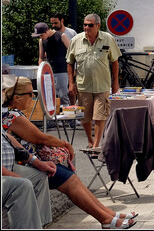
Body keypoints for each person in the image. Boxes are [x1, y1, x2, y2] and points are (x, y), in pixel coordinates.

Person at [3, 76, 138, 229]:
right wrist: (66, 144)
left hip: (29, 163)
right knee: (70, 180)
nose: (33, 97)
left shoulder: (10, 113)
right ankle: (105, 219)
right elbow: (41, 138)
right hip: (26, 165)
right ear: (17, 98)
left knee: (72, 178)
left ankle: (108, 214)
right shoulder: (12, 116)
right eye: (30, 94)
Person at [66, 14, 121, 149]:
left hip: (102, 85)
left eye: (90, 25)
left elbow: (114, 62)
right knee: (85, 117)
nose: (86, 27)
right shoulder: (76, 40)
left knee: (100, 115)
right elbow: (70, 63)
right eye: (85, 24)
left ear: (98, 26)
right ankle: (90, 140)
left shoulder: (108, 39)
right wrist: (71, 83)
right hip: (83, 85)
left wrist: (115, 82)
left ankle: (96, 144)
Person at [2, 128, 51, 230]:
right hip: (3, 174)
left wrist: (36, 162)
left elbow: (7, 137)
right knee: (22, 185)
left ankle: (37, 225)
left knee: (39, 177)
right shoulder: (12, 115)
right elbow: (40, 137)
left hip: (9, 167)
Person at [35, 21, 71, 106]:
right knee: (49, 95)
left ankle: (68, 118)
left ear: (47, 31)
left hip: (62, 70)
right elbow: (41, 57)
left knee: (63, 95)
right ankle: (51, 117)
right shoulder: (41, 41)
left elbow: (71, 52)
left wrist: (73, 70)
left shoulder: (61, 36)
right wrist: (40, 71)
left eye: (41, 35)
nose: (41, 37)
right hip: (48, 71)